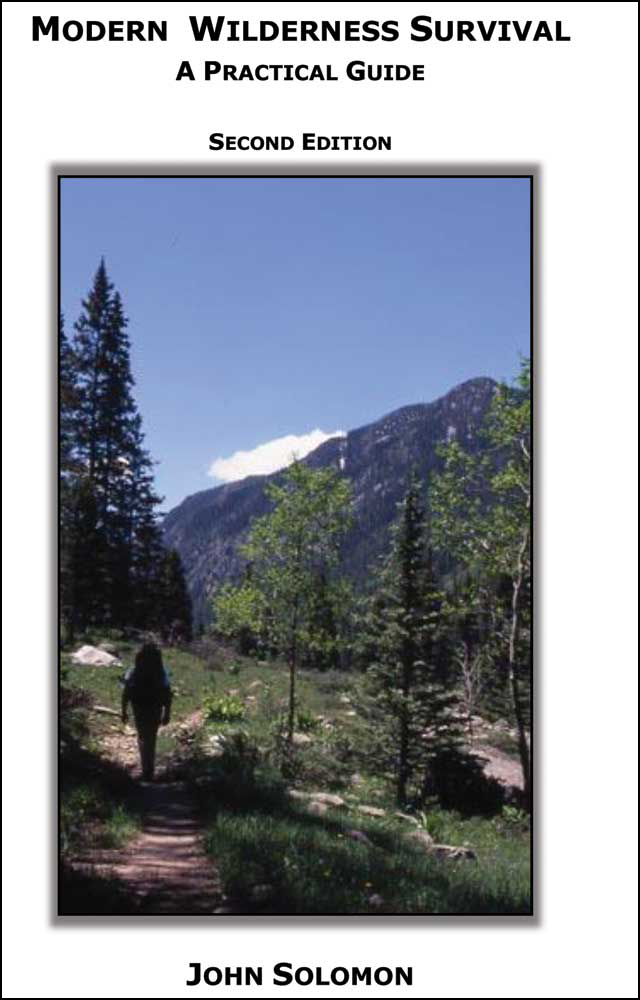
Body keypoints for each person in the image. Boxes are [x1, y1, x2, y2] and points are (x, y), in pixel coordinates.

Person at [121, 642, 172, 781]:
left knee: (142, 736)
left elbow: (126, 692)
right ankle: (149, 770)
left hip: (139, 706)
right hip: (155, 707)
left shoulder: (134, 671)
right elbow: (167, 693)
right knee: (151, 737)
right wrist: (167, 713)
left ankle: (145, 769)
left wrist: (124, 711)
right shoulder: (161, 672)